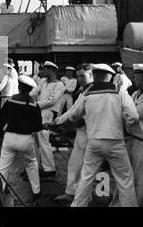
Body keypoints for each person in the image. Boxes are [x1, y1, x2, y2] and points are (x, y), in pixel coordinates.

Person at [68, 64, 139, 207]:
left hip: (94, 141)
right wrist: (126, 125)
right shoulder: (120, 92)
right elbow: (134, 116)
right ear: (111, 76)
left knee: (86, 177)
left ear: (94, 76)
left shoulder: (87, 93)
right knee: (125, 179)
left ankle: (78, 205)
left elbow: (74, 115)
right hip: (116, 142)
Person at [0, 75, 46, 204]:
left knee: (2, 167)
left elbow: (0, 118)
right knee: (31, 164)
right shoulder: (35, 105)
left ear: (19, 86)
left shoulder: (11, 101)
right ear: (30, 90)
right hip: (26, 140)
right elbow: (37, 127)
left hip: (9, 138)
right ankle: (36, 192)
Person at [110, 63, 143, 207]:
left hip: (142, 142)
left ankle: (135, 204)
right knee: (124, 175)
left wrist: (122, 111)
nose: (134, 79)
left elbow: (134, 115)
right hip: (130, 139)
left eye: (137, 77)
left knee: (139, 177)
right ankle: (117, 204)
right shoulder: (134, 94)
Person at [53, 63, 93, 204]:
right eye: (78, 76)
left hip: (92, 134)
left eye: (83, 76)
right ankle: (72, 193)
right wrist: (57, 122)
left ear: (91, 75)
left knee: (87, 168)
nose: (80, 79)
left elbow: (76, 113)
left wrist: (62, 122)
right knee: (75, 164)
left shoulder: (92, 92)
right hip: (82, 133)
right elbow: (74, 110)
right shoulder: (84, 90)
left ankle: (88, 197)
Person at [30, 61, 65, 178]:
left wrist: (36, 104)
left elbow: (52, 100)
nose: (42, 71)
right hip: (38, 112)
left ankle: (49, 169)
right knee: (37, 141)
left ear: (51, 70)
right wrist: (25, 97)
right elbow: (34, 92)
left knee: (44, 141)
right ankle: (40, 166)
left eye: (44, 69)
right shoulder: (43, 82)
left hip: (48, 114)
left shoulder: (59, 85)